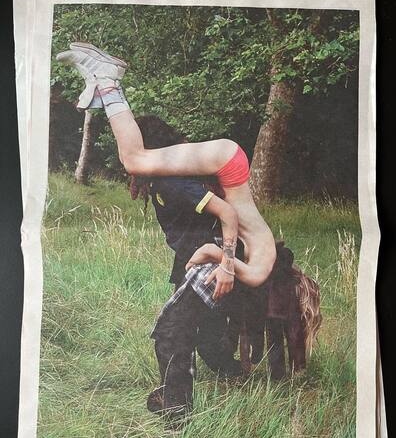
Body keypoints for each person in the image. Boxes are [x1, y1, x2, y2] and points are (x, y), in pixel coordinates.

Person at [56, 43, 277, 294]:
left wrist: (221, 260)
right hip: (227, 161)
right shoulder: (258, 272)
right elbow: (221, 230)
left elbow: (214, 247)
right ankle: (108, 83)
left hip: (229, 161)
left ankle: (103, 86)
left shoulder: (261, 257)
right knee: (133, 160)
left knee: (135, 158)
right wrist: (226, 265)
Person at [133, 115, 242, 377]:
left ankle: (175, 399)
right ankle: (235, 375)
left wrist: (227, 266)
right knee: (207, 337)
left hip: (211, 257)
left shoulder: (174, 183)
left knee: (173, 331)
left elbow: (227, 213)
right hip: (190, 255)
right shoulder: (160, 179)